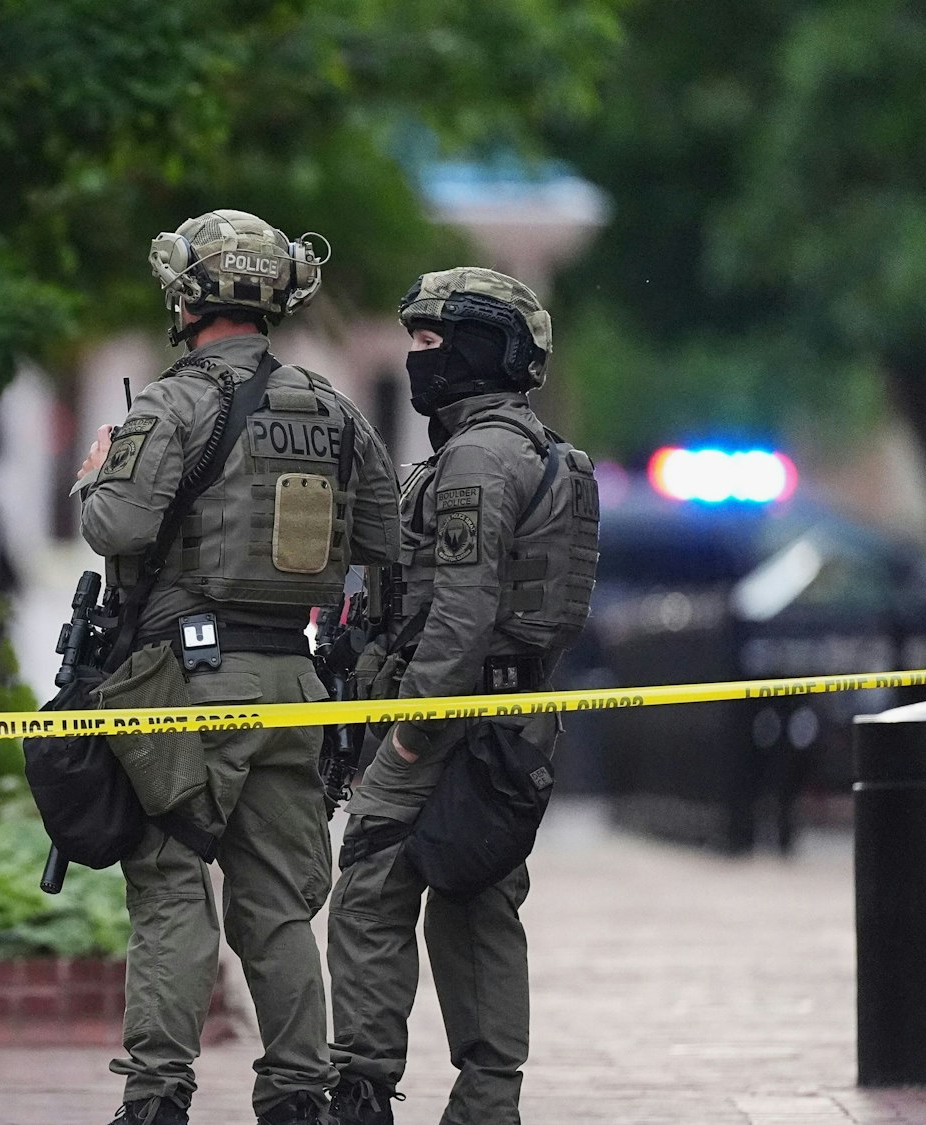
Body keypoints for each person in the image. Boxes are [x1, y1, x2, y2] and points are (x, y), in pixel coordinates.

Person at [74, 210, 401, 1125]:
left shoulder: (170, 405)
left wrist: (97, 473)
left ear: (188, 296)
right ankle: (297, 1091)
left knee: (171, 881)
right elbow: (384, 541)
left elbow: (115, 525)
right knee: (279, 903)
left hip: (188, 688)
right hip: (295, 684)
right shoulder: (334, 410)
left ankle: (157, 1095)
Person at [326, 268, 599, 1125]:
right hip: (508, 718)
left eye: (431, 339)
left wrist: (410, 732)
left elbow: (462, 611)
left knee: (371, 884)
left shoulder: (478, 458)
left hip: (446, 717)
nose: (416, 355)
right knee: (477, 894)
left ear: (483, 349)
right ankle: (487, 1101)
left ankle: (362, 1088)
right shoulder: (531, 450)